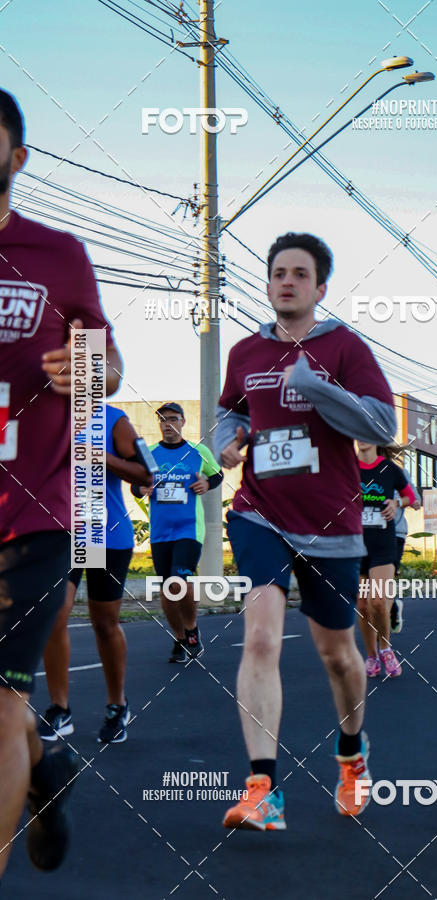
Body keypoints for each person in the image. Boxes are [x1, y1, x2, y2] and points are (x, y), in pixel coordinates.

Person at [214, 232, 396, 829]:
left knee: (338, 655)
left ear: (321, 287)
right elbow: (230, 411)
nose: (286, 282)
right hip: (259, 511)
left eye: (299, 274)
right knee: (261, 638)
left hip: (330, 522)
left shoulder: (345, 347)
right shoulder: (244, 352)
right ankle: (262, 788)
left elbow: (383, 423)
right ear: (267, 284)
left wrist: (317, 388)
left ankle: (351, 754)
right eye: (277, 273)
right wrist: (227, 443)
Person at [0, 91, 122, 878]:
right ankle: (44, 773)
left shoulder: (59, 255)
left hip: (32, 512)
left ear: (16, 159)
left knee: (1, 701)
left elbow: (106, 366)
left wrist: (87, 369)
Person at [39, 405, 153, 744]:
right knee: (54, 615)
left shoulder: (114, 419)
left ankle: (118, 704)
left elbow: (146, 475)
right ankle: (61, 708)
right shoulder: (44, 415)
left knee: (104, 623)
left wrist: (99, 457)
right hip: (62, 534)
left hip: (107, 534)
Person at [136, 403, 223, 662]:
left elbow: (216, 475)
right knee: (167, 590)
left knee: (178, 582)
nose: (167, 424)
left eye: (173, 419)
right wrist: (142, 490)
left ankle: (192, 629)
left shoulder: (198, 451)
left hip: (189, 529)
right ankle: (180, 637)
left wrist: (206, 482)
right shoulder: (150, 454)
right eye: (163, 420)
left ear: (183, 422)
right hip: (161, 531)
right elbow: (135, 484)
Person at [356, 443, 415, 677]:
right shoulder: (347, 468)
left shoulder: (389, 469)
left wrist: (396, 502)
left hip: (383, 544)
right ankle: (371, 656)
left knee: (378, 601)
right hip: (356, 545)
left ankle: (385, 648)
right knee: (362, 606)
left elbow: (409, 496)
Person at [391, 482, 420, 633]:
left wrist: (403, 502)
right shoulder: (361, 470)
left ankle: (392, 609)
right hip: (369, 534)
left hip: (396, 533)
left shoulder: (400, 473)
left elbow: (415, 500)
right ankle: (393, 605)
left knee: (386, 577)